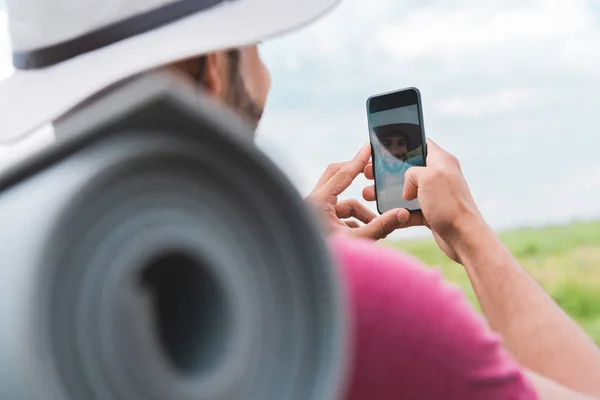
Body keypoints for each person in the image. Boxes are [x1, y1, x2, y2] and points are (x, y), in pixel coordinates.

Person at [1, 1, 599, 399]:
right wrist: (467, 230)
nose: (263, 67)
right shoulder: (343, 301)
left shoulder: (18, 298)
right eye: (253, 38)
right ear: (211, 65)